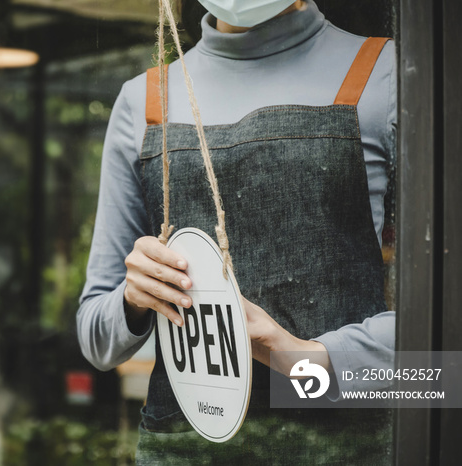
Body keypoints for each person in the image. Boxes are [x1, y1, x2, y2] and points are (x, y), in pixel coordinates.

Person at [78, 0, 396, 462]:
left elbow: (438, 371)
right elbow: (95, 341)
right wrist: (133, 298)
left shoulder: (389, 75)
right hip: (181, 448)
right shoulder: (144, 101)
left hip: (343, 448)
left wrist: (305, 361)